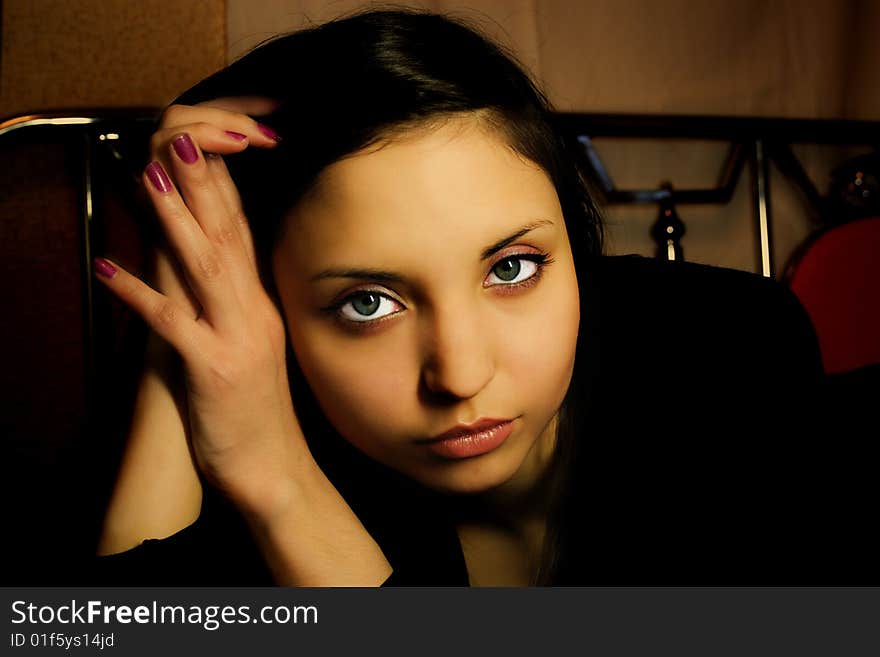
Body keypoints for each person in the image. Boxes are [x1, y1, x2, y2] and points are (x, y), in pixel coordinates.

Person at [91, 9, 870, 586]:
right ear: (274, 306)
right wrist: (193, 280)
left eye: (512, 268)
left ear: (576, 243)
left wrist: (285, 486)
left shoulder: (731, 352)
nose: (459, 376)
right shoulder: (269, 407)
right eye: (368, 303)